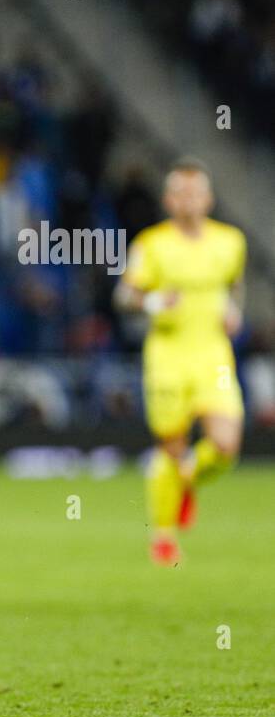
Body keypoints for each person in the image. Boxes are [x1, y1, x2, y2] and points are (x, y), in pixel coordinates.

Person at [115, 158, 245, 566]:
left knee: (225, 446)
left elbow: (234, 286)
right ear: (169, 200)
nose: (189, 199)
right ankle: (164, 539)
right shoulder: (152, 245)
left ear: (208, 198)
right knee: (171, 447)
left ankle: (187, 480)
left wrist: (233, 310)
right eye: (181, 192)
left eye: (196, 192)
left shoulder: (231, 242)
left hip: (213, 355)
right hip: (168, 356)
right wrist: (153, 300)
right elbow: (124, 296)